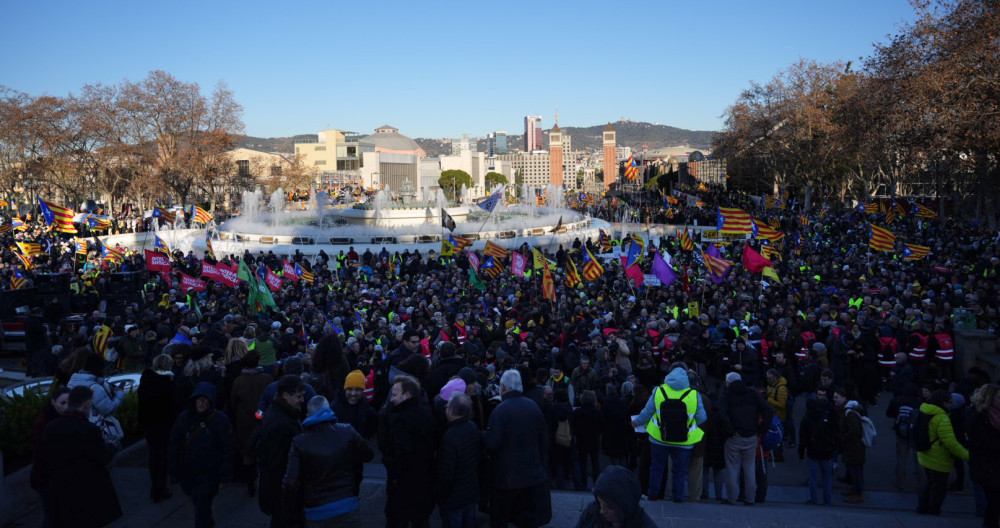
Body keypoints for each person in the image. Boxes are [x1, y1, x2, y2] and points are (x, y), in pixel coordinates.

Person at [283, 395, 374, 527]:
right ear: (328, 409)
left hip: (316, 510)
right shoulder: (347, 431)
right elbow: (368, 455)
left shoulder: (299, 442)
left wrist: (291, 510)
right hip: (347, 504)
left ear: (308, 414)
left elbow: (290, 482)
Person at [42, 385, 122, 528]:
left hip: (61, 489)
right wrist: (111, 446)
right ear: (86, 404)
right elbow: (102, 457)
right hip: (87, 490)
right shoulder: (88, 429)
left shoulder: (51, 427)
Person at [484, 369, 551, 528]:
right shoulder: (532, 406)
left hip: (507, 479)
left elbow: (492, 443)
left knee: (501, 519)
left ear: (504, 388)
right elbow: (544, 440)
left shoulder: (500, 410)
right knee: (526, 518)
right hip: (532, 476)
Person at [631, 364, 707, 503]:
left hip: (659, 438)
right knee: (680, 471)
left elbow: (647, 412)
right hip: (685, 440)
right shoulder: (694, 395)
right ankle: (678, 497)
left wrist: (636, 422)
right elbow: (702, 418)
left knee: (657, 467)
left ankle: (653, 495)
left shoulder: (658, 391)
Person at [169, 381, 235, 528]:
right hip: (189, 472)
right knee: (200, 506)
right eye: (199, 398)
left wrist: (225, 476)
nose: (202, 402)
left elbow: (228, 449)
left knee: (201, 507)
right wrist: (173, 470)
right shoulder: (184, 418)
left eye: (205, 399)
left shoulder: (220, 421)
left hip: (209, 474)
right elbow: (174, 444)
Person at [379, 374, 436, 528]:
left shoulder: (401, 420)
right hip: (423, 482)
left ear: (407, 394)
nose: (391, 399)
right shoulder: (426, 413)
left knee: (396, 519)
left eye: (395, 394)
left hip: (403, 485)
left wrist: (391, 467)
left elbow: (402, 454)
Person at [718, 371, 773, 506]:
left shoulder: (727, 396)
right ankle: (750, 498)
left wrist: (730, 431)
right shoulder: (752, 393)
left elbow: (721, 415)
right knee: (749, 467)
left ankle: (731, 497)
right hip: (751, 435)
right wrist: (762, 430)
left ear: (728, 382)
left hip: (734, 437)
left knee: (732, 468)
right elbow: (768, 409)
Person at [257, 376, 305, 528]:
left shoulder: (279, 412)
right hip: (283, 493)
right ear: (285, 395)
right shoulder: (281, 424)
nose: (303, 400)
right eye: (299, 396)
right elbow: (278, 466)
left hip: (279, 491)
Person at [916, 389, 969, 515]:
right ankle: (933, 511)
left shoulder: (924, 410)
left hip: (925, 453)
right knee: (938, 487)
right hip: (938, 457)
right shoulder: (941, 417)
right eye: (949, 402)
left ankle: (922, 508)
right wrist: (967, 456)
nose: (950, 405)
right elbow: (950, 443)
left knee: (929, 483)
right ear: (943, 402)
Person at [229, 349, 273, 494]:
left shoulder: (238, 381)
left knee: (248, 452)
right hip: (263, 421)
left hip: (244, 421)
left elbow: (232, 403)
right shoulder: (266, 379)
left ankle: (250, 481)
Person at [138, 354, 180, 503]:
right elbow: (174, 407)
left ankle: (156, 486)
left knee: (154, 456)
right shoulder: (168, 383)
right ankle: (161, 488)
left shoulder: (147, 379)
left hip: (149, 424)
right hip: (164, 425)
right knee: (162, 457)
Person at [435, 392, 481, 528]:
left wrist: (440, 493)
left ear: (453, 411)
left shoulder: (450, 436)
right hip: (471, 491)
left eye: (448, 407)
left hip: (454, 496)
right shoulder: (473, 428)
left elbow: (446, 471)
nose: (446, 409)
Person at [30, 386, 70, 528]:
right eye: (62, 403)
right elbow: (45, 452)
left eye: (68, 403)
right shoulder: (44, 424)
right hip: (47, 477)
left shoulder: (59, 418)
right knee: (52, 516)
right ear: (53, 402)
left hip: (54, 476)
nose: (66, 407)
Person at [574, 465, 657, 528]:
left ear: (624, 506)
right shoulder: (592, 513)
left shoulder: (644, 524)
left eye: (609, 507)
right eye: (600, 502)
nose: (602, 511)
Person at [969, 384, 1000, 528]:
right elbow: (978, 445)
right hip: (988, 468)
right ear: (990, 398)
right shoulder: (980, 417)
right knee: (993, 503)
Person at [797, 399, 835, 505]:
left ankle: (814, 500)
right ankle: (828, 500)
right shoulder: (825, 417)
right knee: (827, 478)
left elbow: (803, 439)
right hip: (827, 451)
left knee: (813, 477)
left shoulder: (806, 420)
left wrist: (801, 452)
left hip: (813, 452)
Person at [834, 390, 866, 503]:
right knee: (855, 470)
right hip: (854, 447)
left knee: (856, 470)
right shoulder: (849, 410)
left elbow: (854, 430)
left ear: (843, 398)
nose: (835, 399)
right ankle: (856, 490)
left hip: (854, 447)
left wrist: (843, 437)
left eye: (836, 397)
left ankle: (858, 493)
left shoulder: (849, 413)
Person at [331, 369, 378, 439]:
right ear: (345, 389)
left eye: (357, 390)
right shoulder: (335, 407)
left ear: (362, 391)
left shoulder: (363, 401)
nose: (353, 393)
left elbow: (373, 417)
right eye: (349, 389)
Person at [573, 390, 604, 490]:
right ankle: (597, 483)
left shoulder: (577, 412)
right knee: (595, 463)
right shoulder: (597, 412)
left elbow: (573, 427)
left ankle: (583, 483)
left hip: (581, 440)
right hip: (594, 440)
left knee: (582, 463)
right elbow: (602, 427)